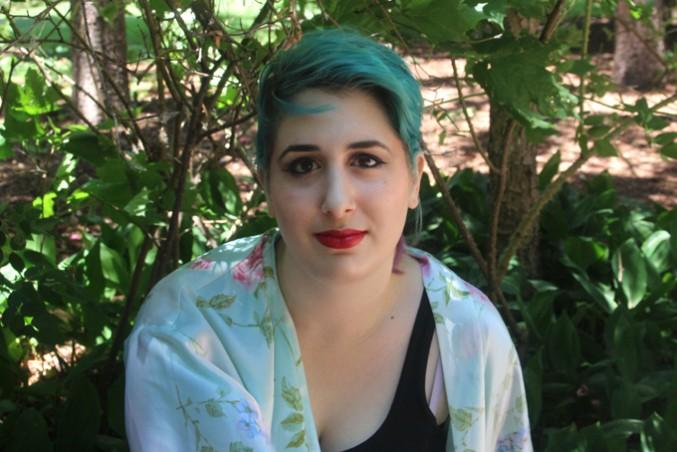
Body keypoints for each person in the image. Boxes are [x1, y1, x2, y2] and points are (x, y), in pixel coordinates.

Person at [124, 29, 532, 451]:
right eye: (304, 166)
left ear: (414, 179)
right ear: (267, 185)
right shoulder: (188, 331)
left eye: (366, 161)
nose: (337, 203)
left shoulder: (469, 335)